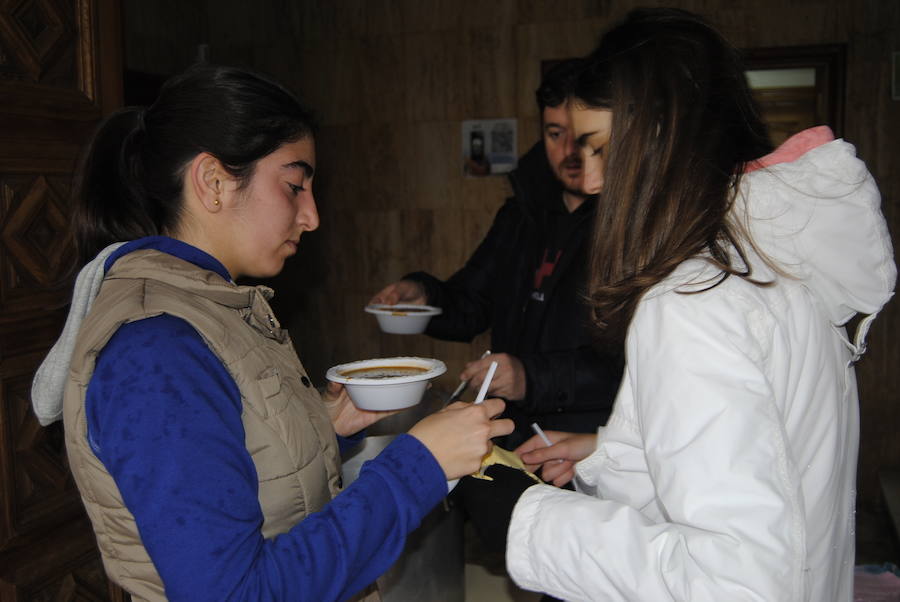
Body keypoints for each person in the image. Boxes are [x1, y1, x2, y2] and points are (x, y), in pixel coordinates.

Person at [29, 64, 513, 602]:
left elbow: (228, 465)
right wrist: (417, 466)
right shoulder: (156, 349)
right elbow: (237, 592)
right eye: (293, 185)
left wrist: (322, 424)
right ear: (213, 182)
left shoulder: (213, 306)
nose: (311, 216)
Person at [463, 8, 895, 601]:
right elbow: (776, 469)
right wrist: (613, 454)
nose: (590, 183)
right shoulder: (775, 265)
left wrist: (524, 516)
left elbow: (734, 583)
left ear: (660, 140)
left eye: (601, 149)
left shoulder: (694, 302)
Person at [371, 58, 623, 449]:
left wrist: (530, 377)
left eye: (583, 136)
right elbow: (472, 303)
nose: (570, 152)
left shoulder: (630, 223)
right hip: (513, 432)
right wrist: (423, 297)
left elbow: (631, 362)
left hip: (592, 441)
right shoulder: (521, 214)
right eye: (556, 134)